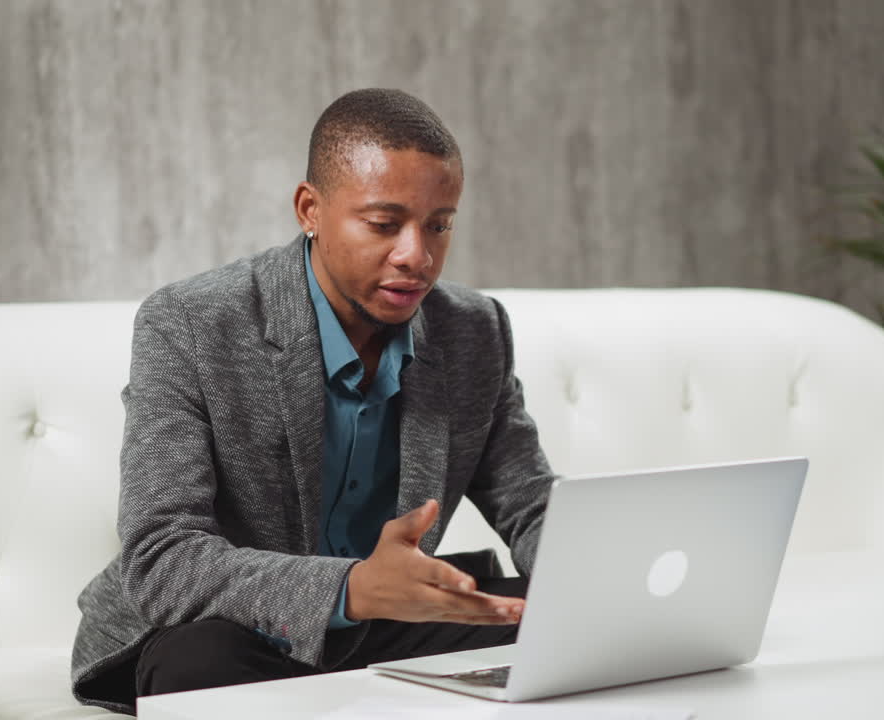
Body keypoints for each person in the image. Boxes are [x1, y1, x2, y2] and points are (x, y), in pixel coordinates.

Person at [70, 88, 557, 714]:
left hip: (387, 623)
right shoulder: (189, 323)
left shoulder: (474, 329)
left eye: (439, 225)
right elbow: (161, 556)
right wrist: (352, 587)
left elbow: (530, 504)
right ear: (310, 209)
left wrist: (599, 574)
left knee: (554, 617)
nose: (418, 255)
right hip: (234, 628)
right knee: (198, 667)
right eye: (384, 224)